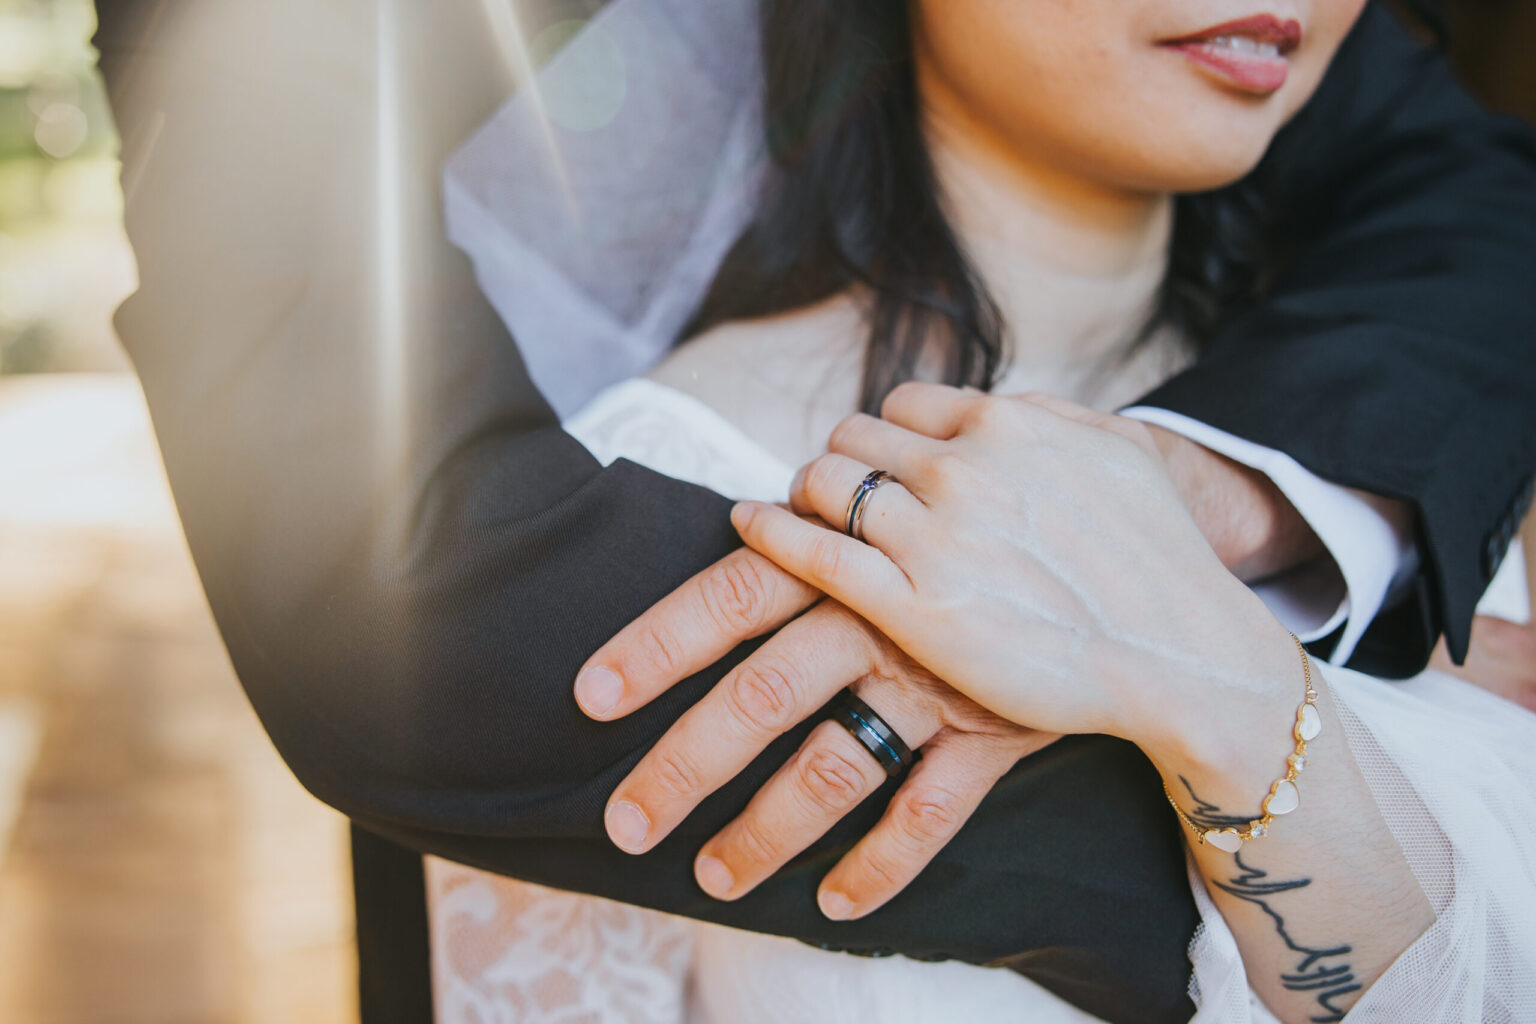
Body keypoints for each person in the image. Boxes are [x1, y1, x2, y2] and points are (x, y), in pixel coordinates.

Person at [89, 0, 1536, 1020]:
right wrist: (1275, 750)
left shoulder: (1404, 488)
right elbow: (388, 617)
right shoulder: (670, 479)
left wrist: (1203, 566)